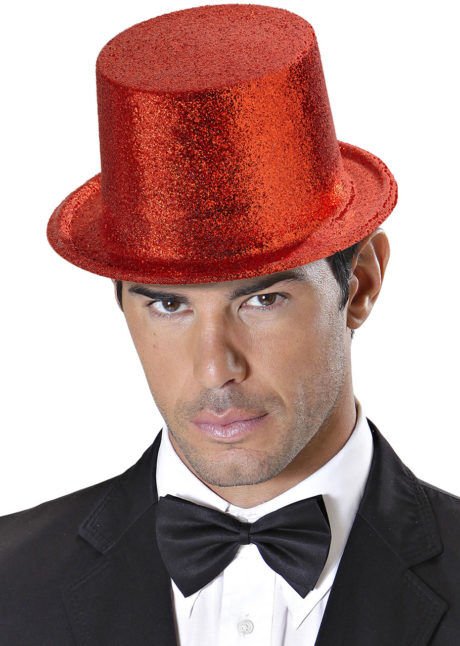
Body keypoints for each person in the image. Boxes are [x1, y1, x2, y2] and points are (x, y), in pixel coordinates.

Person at [0, 4, 459, 645]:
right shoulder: (11, 581)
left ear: (360, 284)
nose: (216, 368)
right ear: (121, 303)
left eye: (262, 301)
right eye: (170, 305)